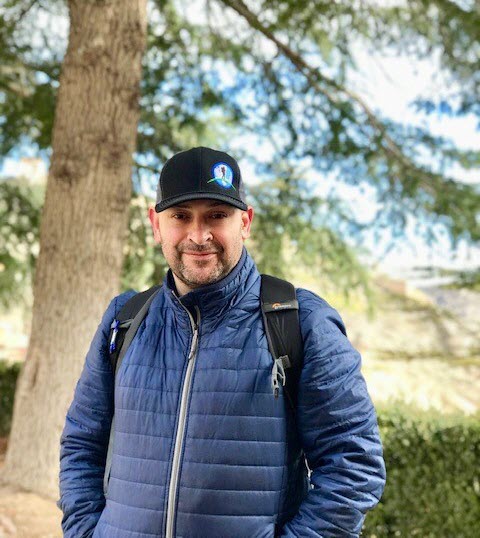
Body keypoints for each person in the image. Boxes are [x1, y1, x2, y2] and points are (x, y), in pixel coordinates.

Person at [58, 147, 386, 538]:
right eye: (181, 216)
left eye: (217, 215)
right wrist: (84, 531)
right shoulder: (125, 319)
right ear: (155, 224)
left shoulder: (300, 321)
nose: (199, 235)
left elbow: (353, 463)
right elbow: (81, 443)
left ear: (245, 222)